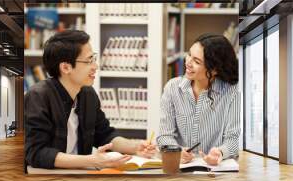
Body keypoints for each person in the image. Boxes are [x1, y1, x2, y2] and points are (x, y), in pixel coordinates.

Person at [25, 30, 156, 169]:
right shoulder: (38, 97)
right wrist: (93, 161)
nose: (95, 66)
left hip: (80, 177)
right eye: (89, 61)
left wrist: (135, 147)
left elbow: (105, 134)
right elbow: (36, 152)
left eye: (94, 59)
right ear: (65, 67)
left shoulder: (87, 94)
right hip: (46, 180)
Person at [156, 33, 240, 166]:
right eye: (189, 54)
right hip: (180, 170)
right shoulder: (172, 88)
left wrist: (220, 152)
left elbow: (234, 140)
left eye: (197, 61)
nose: (188, 63)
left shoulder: (233, 93)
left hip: (215, 172)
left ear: (214, 70)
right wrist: (174, 150)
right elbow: (164, 135)